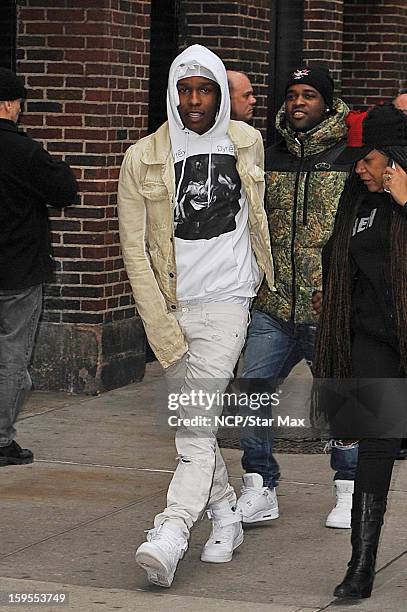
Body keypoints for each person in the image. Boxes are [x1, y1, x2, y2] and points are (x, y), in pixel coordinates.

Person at [117, 44, 274, 588]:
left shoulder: (247, 142)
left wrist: (254, 282)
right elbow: (135, 252)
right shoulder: (143, 158)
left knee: (192, 426)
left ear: (220, 95)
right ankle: (226, 514)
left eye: (204, 90)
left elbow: (258, 219)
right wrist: (158, 324)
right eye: (184, 90)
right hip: (171, 309)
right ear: (171, 93)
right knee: (197, 427)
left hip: (227, 304)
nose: (193, 101)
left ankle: (172, 530)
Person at [237, 65, 359, 530]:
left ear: (327, 102)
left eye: (309, 95)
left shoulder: (350, 158)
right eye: (292, 95)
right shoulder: (268, 156)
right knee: (251, 394)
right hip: (273, 304)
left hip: (327, 306)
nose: (298, 103)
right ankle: (259, 488)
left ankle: (349, 491)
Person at [314, 103, 407, 599]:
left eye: (367, 159)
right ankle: (362, 564)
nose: (360, 168)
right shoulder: (359, 202)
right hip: (376, 341)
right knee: (375, 443)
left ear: (394, 156)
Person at [0, 68, 78, 466]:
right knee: (12, 355)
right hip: (18, 271)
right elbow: (64, 192)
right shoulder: (25, 152)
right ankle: (0, 439)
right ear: (11, 104)